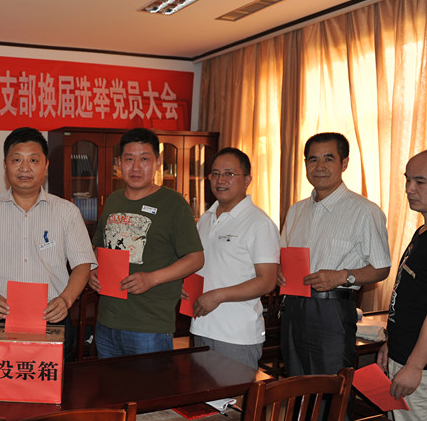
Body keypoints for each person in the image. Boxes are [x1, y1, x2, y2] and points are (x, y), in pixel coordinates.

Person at [0, 127, 96, 361]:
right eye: (17, 159)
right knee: (3, 383)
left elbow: (83, 265)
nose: (25, 168)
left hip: (53, 318)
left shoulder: (67, 212)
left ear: (46, 165)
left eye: (33, 160)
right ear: (5, 165)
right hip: (1, 320)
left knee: (56, 383)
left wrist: (66, 299)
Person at [279, 132, 391, 377]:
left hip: (331, 310)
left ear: (344, 163)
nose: (319, 167)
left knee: (330, 387)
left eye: (328, 159)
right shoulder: (296, 210)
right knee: (296, 383)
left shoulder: (364, 211)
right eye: (313, 159)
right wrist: (279, 270)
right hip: (293, 307)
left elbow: (382, 268)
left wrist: (343, 276)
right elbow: (283, 255)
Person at [89, 127, 204, 358]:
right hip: (107, 322)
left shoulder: (173, 203)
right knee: (108, 382)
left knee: (150, 383)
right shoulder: (113, 200)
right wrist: (92, 269)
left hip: (149, 327)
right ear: (119, 163)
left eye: (144, 159)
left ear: (158, 162)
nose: (136, 167)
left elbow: (196, 258)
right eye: (129, 159)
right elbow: (98, 247)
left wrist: (152, 278)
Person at [188, 148, 279, 369]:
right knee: (200, 391)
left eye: (229, 174)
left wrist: (218, 295)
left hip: (236, 335)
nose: (220, 180)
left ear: (247, 180)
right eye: (215, 174)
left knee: (234, 393)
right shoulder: (206, 219)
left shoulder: (259, 223)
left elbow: (267, 281)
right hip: (200, 326)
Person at [377, 150, 427, 421]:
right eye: (407, 180)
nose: (409, 188)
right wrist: (392, 342)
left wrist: (415, 366)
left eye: (420, 182)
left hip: (418, 367)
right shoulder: (422, 232)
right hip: (404, 354)